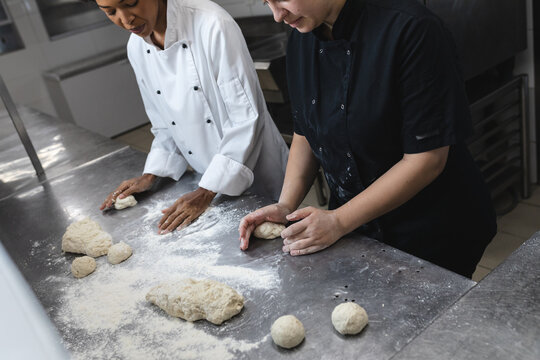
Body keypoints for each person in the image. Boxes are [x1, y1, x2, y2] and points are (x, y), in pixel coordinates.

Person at [239, 0, 497, 278]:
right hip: (357, 227)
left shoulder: (412, 30)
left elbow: (427, 159)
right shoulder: (302, 37)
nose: (277, 15)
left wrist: (338, 220)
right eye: (267, 2)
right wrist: (285, 205)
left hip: (431, 228)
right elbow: (306, 129)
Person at [93, 0, 289, 234]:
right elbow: (163, 123)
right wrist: (151, 174)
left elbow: (246, 118)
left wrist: (206, 191)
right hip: (205, 179)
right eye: (111, 12)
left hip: (256, 174)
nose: (125, 20)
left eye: (131, 3)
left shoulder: (212, 24)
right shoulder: (136, 47)